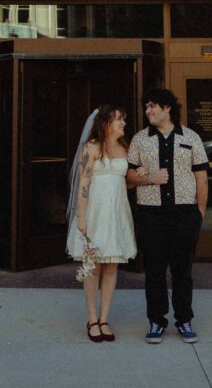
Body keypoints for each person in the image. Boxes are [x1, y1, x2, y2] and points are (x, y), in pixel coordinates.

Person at [127, 87, 209, 344]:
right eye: (146, 106)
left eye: (153, 106)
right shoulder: (140, 139)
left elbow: (202, 177)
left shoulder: (191, 137)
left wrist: (199, 213)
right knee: (154, 270)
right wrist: (149, 178)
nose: (147, 111)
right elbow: (128, 178)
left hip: (185, 213)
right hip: (151, 213)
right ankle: (156, 321)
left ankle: (184, 320)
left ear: (167, 108)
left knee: (182, 270)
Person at [66, 105, 137, 343]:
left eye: (123, 120)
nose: (123, 124)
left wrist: (143, 178)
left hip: (116, 213)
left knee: (112, 266)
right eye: (119, 119)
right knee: (93, 266)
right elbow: (83, 184)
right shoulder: (92, 147)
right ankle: (92, 318)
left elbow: (126, 182)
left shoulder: (125, 148)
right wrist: (83, 217)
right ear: (105, 122)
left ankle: (105, 318)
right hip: (95, 213)